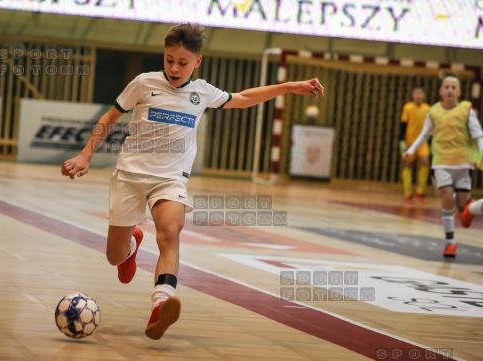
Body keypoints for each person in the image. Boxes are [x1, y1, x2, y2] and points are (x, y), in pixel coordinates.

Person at [60, 23, 324, 340]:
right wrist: (85, 155)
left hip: (170, 180)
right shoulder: (144, 83)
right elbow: (109, 118)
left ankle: (163, 300)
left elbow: (244, 98)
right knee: (114, 256)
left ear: (197, 62)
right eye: (169, 59)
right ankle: (130, 247)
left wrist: (289, 87)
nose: (174, 67)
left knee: (170, 232)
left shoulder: (202, 92)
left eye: (182, 62)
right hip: (130, 176)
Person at [403, 72, 483, 258]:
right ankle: (450, 243)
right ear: (440, 91)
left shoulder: (466, 110)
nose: (450, 90)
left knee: (462, 206)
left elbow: (478, 134)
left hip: (464, 162)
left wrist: (481, 152)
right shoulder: (434, 111)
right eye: (446, 87)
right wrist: (411, 150)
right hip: (441, 161)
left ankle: (469, 210)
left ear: (459, 92)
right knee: (447, 198)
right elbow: (424, 134)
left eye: (453, 87)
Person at [399, 86, 430, 204]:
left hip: (422, 143)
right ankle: (408, 193)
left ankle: (420, 190)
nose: (418, 96)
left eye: (420, 94)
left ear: (424, 96)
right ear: (412, 95)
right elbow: (403, 126)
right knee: (408, 165)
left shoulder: (428, 109)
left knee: (425, 161)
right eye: (416, 93)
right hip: (410, 142)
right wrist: (402, 144)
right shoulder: (408, 107)